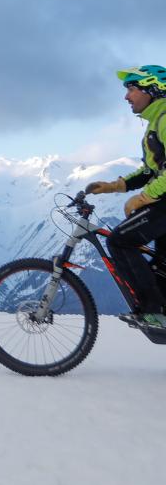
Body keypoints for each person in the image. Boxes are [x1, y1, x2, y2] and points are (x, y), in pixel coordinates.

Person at [85, 65, 166, 330]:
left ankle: (154, 313)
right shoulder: (156, 121)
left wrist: (144, 198)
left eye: (132, 88)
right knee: (161, 266)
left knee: (121, 242)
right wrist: (113, 186)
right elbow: (150, 170)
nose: (126, 96)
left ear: (153, 89)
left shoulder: (165, 119)